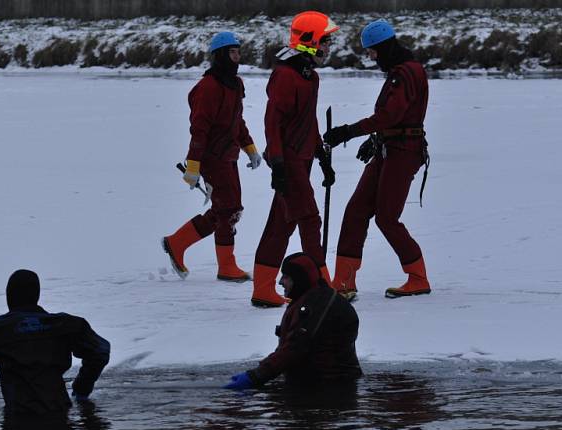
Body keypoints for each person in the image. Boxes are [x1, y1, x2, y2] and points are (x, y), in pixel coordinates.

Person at [323, 19, 431, 301]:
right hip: (389, 146)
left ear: (383, 47)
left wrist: (350, 131)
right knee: (356, 209)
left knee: (386, 217)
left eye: (371, 51)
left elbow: (390, 116)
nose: (370, 57)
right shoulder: (402, 70)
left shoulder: (405, 73)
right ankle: (343, 282)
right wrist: (375, 140)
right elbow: (394, 119)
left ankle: (418, 277)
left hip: (404, 152)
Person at [251, 11, 338, 308]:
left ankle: (263, 289)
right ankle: (322, 287)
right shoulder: (286, 76)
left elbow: (308, 120)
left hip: (302, 160)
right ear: (309, 41)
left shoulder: (309, 77)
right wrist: (277, 163)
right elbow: (272, 122)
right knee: (310, 220)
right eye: (325, 41)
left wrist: (321, 155)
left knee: (281, 224)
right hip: (287, 160)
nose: (329, 47)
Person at [163, 31, 261, 282]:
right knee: (227, 209)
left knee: (230, 209)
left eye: (239, 51)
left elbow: (237, 121)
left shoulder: (236, 84)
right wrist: (193, 165)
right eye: (232, 52)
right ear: (220, 56)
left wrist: (249, 148)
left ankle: (177, 242)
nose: (238, 57)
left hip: (228, 156)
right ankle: (226, 266)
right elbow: (199, 128)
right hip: (210, 158)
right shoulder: (207, 88)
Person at [0, 269, 110, 415]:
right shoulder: (65, 325)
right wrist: (82, 389)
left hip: (18, 421)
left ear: (9, 297)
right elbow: (100, 351)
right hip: (60, 415)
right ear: (36, 296)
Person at [224, 252, 362, 390]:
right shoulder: (310, 299)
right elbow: (289, 349)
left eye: (286, 277)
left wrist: (255, 376)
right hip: (316, 385)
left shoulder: (316, 305)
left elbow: (294, 349)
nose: (280, 281)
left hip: (328, 390)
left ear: (299, 279)